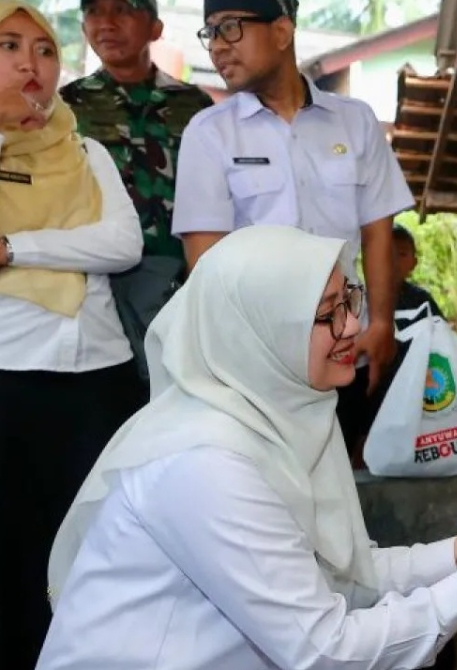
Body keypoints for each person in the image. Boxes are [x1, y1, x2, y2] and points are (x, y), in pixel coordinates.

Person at [37, 225, 457, 670]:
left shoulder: (286, 411)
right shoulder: (203, 462)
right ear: (258, 330)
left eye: (349, 297)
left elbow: (345, 572)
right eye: (328, 312)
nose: (355, 324)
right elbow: (325, 649)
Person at [170, 0, 410, 457]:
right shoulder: (209, 133)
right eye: (210, 33)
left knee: (339, 479)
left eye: (230, 28)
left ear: (282, 32)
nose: (217, 47)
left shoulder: (355, 121)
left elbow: (378, 232)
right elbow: (206, 262)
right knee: (267, 482)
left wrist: (381, 322)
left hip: (344, 344)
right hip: (259, 357)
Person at [0, 2, 144, 666]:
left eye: (44, 49)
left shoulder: (86, 151)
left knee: (95, 544)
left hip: (98, 378)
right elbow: (94, 245)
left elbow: (121, 243)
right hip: (11, 376)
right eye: (9, 46)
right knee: (16, 551)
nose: (32, 64)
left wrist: (14, 248)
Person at [61, 0, 213, 260]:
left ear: (156, 28)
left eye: (122, 9)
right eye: (93, 12)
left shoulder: (195, 105)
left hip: (183, 270)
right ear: (84, 30)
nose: (106, 23)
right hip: (99, 273)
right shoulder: (64, 108)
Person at [393, 223, 444, 317]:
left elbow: (440, 329)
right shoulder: (363, 297)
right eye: (387, 253)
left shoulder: (421, 299)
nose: (394, 260)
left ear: (414, 263)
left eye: (401, 254)